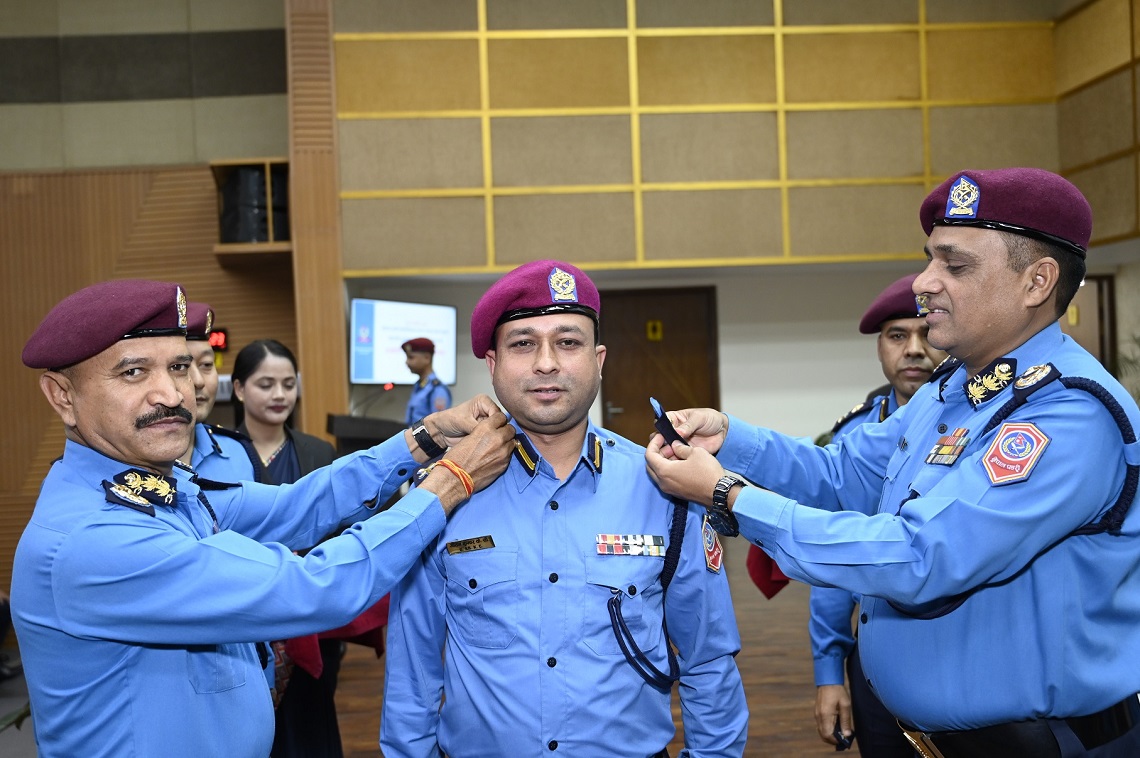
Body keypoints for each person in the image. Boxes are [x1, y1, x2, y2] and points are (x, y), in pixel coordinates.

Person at [645, 168, 1140, 757]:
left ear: (1037, 282)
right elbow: (845, 476)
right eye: (930, 260)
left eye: (955, 266)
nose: (925, 284)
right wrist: (731, 439)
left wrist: (729, 495)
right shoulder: (954, 387)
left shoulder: (1069, 413)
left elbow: (920, 557)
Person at [11, 279, 516, 758]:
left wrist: (427, 436)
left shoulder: (159, 489)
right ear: (62, 396)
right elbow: (314, 588)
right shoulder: (93, 538)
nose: (172, 394)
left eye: (180, 367)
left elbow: (297, 505)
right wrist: (450, 482)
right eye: (133, 372)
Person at [381, 260, 748, 757]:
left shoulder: (665, 486)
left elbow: (709, 657)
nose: (546, 363)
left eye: (568, 342)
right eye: (523, 343)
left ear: (599, 360)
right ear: (492, 364)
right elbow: (412, 672)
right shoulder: (443, 494)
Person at [807, 274, 944, 756]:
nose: (914, 350)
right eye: (897, 335)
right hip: (876, 648)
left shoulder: (982, 421)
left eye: (927, 332)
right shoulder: (853, 436)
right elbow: (832, 561)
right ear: (880, 347)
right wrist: (829, 673)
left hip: (957, 645)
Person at [230, 338, 366, 758]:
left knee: (310, 731)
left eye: (288, 384)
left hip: (310, 620)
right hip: (246, 624)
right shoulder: (220, 458)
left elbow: (339, 531)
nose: (280, 395)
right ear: (239, 389)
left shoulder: (317, 451)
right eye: (266, 384)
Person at [178, 302, 266, 482]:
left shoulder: (240, 453)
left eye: (206, 365)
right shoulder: (129, 465)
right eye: (181, 366)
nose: (199, 381)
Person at [402, 336, 451, 426]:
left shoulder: (437, 390)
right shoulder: (419, 386)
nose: (407, 362)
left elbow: (439, 426)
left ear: (427, 358)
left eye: (411, 357)